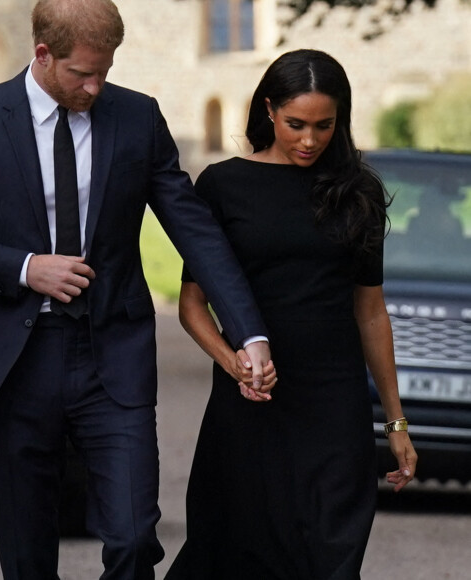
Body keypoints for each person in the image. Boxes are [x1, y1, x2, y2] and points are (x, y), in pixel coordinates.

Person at [0, 1, 276, 578]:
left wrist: (249, 332)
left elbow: (196, 231)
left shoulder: (138, 118)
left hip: (112, 357)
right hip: (13, 362)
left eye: (105, 70)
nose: (96, 86)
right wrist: (26, 267)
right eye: (82, 74)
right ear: (42, 54)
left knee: (132, 540)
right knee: (27, 560)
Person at [165, 49, 418, 580]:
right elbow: (192, 304)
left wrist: (395, 422)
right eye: (295, 124)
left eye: (324, 126)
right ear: (269, 110)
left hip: (334, 408)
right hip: (250, 408)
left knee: (330, 555)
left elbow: (370, 311)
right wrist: (233, 363)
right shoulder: (222, 184)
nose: (309, 140)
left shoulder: (359, 191)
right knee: (235, 553)